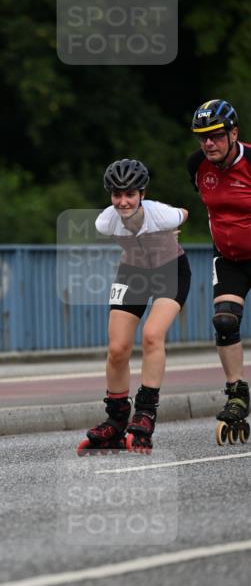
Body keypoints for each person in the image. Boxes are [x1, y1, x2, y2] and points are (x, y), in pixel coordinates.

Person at [77, 158, 191, 455]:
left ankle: (145, 414)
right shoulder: (105, 220)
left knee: (152, 335)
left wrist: (171, 232)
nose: (124, 201)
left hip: (170, 271)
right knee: (117, 348)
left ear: (142, 194)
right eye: (117, 194)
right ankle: (115, 420)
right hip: (132, 274)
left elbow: (185, 213)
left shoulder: (160, 214)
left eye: (130, 194)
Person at [188, 99, 251, 444]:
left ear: (233, 133)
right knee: (225, 321)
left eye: (215, 136)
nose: (208, 144)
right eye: (202, 137)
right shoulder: (197, 166)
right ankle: (237, 394)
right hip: (229, 259)